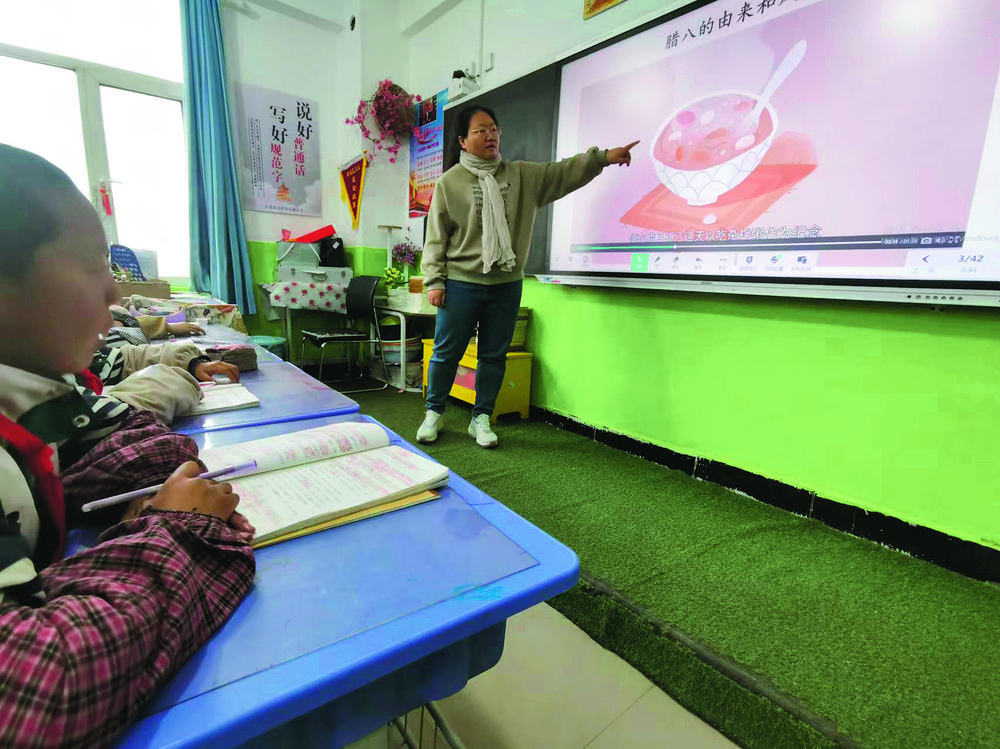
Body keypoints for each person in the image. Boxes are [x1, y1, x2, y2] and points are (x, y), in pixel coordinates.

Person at [0, 144, 255, 747]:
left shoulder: (33, 390)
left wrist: (146, 504)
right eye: (93, 265)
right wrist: (175, 529)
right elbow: (38, 698)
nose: (115, 295)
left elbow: (142, 449)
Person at [417, 106, 638, 448]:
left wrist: (603, 158)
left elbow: (562, 172)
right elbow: (436, 237)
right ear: (462, 140)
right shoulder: (450, 182)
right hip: (461, 283)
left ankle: (481, 418)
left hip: (505, 284)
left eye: (494, 128)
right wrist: (434, 281)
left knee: (494, 355)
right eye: (480, 130)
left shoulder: (521, 175)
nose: (490, 135)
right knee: (447, 352)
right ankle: (434, 412)